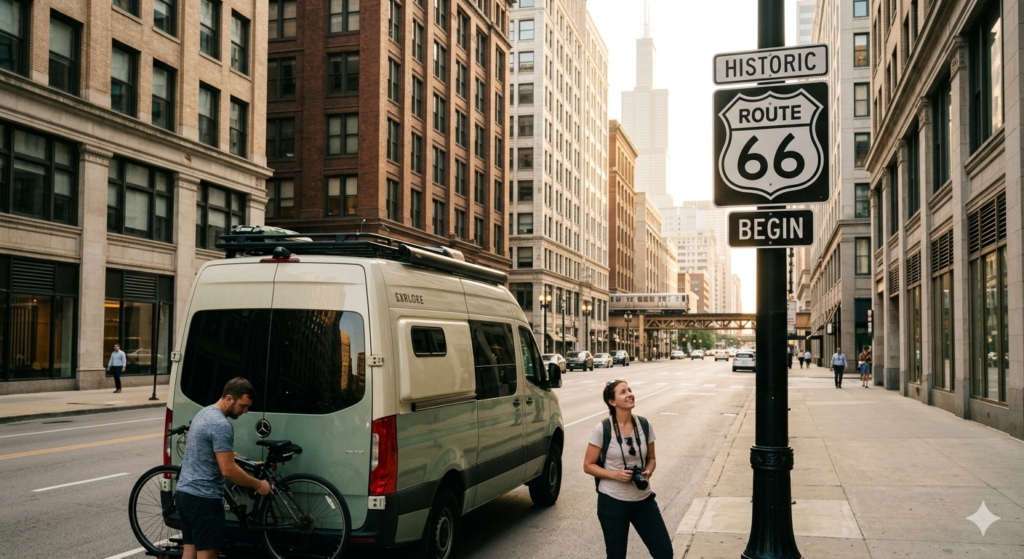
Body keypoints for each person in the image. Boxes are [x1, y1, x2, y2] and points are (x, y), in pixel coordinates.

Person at [175, 377, 272, 559]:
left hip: (185, 495)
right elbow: (227, 470)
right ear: (229, 398)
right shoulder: (221, 425)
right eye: (243, 405)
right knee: (207, 555)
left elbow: (210, 452)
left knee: (189, 552)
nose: (245, 411)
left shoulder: (203, 413)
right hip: (204, 500)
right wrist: (258, 484)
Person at [583, 380, 673, 559]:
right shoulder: (603, 429)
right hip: (613, 501)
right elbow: (588, 465)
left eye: (630, 390)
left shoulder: (644, 425)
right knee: (616, 555)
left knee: (664, 552)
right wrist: (615, 475)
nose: (629, 394)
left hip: (643, 499)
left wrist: (648, 472)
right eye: (623, 392)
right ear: (612, 402)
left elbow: (651, 459)